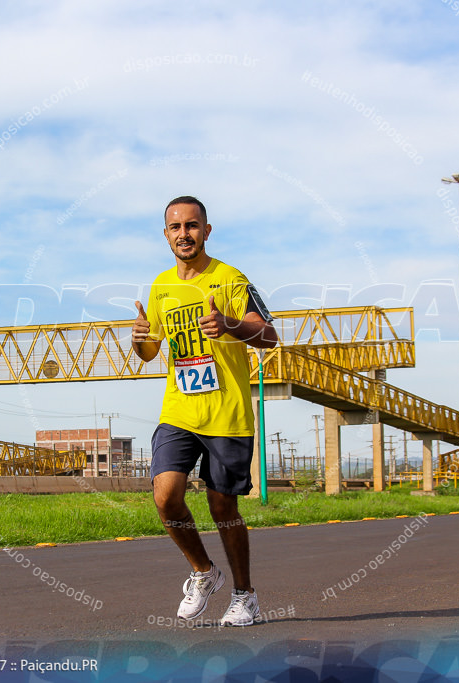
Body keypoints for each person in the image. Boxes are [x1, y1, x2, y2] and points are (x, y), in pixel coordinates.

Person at [131, 195, 278, 626]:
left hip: (226, 412)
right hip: (179, 409)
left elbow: (269, 335)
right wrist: (139, 336)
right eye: (175, 227)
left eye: (192, 226)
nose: (184, 234)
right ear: (166, 235)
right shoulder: (161, 286)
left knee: (222, 510)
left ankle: (245, 595)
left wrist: (230, 325)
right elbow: (148, 352)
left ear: (206, 231)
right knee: (165, 495)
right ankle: (203, 571)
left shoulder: (230, 278)